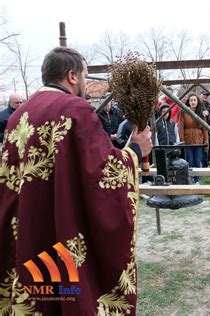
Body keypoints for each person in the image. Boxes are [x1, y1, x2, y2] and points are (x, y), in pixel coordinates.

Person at [0, 46, 152, 315]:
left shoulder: (18, 116)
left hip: (27, 227)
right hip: (62, 223)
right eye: (85, 75)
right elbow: (104, 174)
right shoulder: (74, 109)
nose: (86, 83)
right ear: (72, 76)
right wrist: (136, 151)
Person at [178, 93, 208, 184]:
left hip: (199, 141)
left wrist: (206, 141)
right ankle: (189, 178)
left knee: (197, 161)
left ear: (198, 101)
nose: (193, 102)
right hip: (188, 141)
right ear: (189, 102)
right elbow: (180, 128)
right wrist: (182, 141)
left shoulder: (201, 113)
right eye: (191, 100)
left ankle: (197, 180)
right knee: (189, 161)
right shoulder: (183, 113)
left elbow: (205, 129)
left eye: (195, 100)